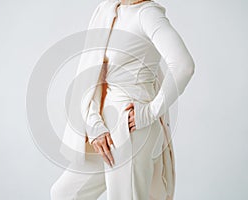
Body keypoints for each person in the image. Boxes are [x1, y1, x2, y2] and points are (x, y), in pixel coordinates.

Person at [51, 0, 195, 199]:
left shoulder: (147, 14)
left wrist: (151, 111)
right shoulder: (108, 10)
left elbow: (183, 65)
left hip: (131, 130)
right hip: (105, 126)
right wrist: (94, 124)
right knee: (65, 193)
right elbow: (92, 74)